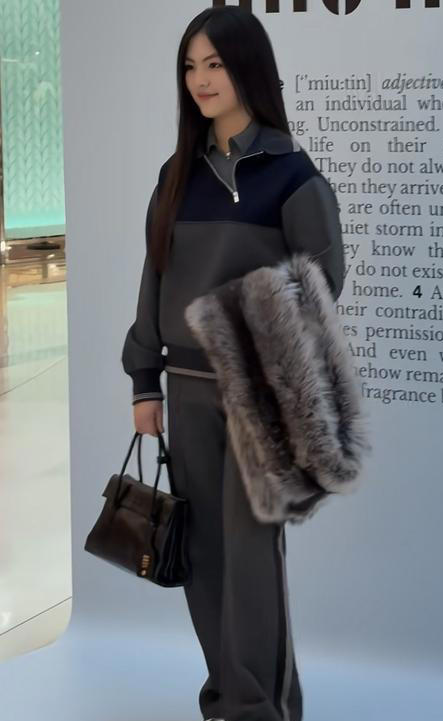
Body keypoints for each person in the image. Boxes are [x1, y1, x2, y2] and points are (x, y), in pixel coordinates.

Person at [120, 6, 345, 721]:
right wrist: (144, 380)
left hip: (257, 394)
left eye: (215, 64)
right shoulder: (176, 174)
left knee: (251, 560)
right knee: (204, 558)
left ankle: (259, 708)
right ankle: (227, 697)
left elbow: (321, 285)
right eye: (190, 66)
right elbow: (154, 279)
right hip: (184, 390)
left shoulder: (292, 176)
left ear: (248, 68)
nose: (200, 80)